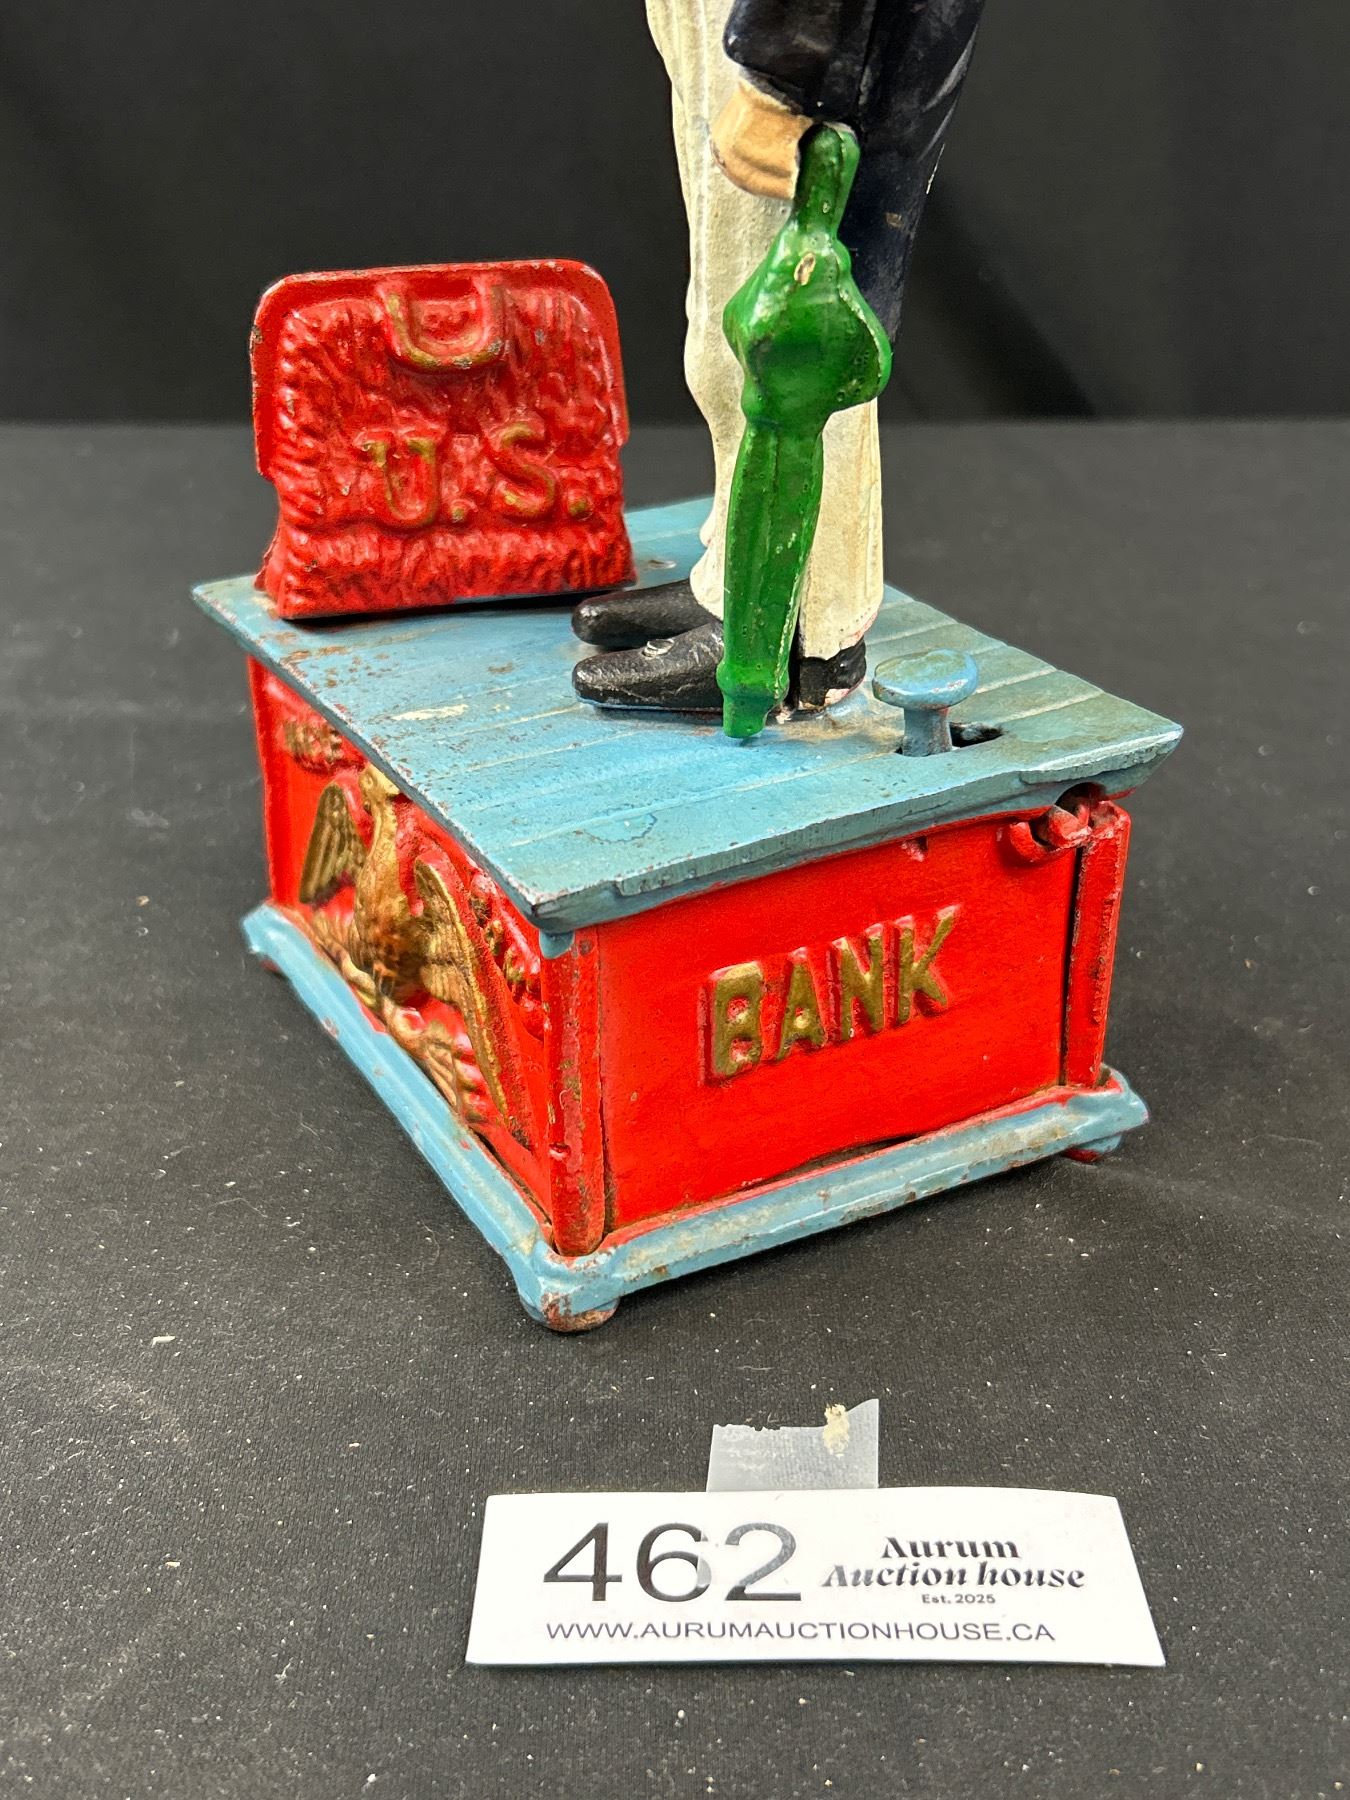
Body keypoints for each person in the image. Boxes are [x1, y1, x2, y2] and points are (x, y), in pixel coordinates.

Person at [572, 0, 989, 715]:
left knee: (793, 354)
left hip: (813, 64)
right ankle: (730, 584)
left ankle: (797, 636)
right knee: (723, 336)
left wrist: (787, 75)